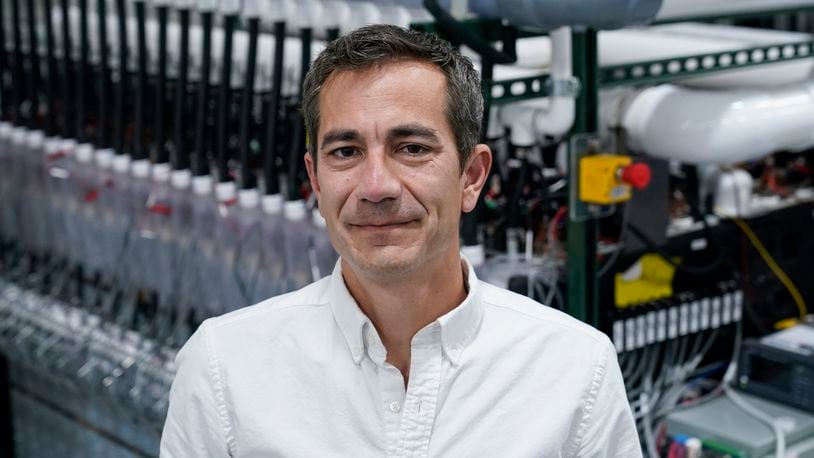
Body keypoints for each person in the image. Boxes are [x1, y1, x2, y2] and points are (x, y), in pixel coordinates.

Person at [160, 24, 640, 457]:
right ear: (317, 180)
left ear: (472, 177)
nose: (376, 187)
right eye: (345, 152)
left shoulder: (576, 369)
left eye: (411, 148)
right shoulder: (224, 367)